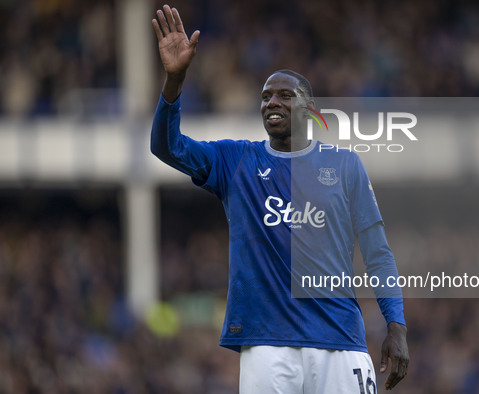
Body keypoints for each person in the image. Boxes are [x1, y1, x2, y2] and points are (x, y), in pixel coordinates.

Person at [151, 5, 409, 393]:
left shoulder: (344, 166)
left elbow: (378, 254)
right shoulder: (235, 160)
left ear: (309, 109)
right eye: (266, 95)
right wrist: (175, 82)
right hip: (267, 346)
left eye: (285, 95)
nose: (272, 102)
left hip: (339, 340)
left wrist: (396, 325)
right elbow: (166, 147)